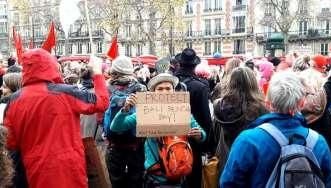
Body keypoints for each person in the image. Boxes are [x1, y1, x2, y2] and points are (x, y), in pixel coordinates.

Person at [4, 49, 109, 188]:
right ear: (51, 65)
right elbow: (102, 102)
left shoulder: (13, 101)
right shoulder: (66, 92)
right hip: (70, 169)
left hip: (34, 170)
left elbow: (10, 142)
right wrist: (97, 72)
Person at [220, 71, 331, 187]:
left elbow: (229, 182)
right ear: (301, 103)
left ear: (268, 103)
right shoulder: (319, 142)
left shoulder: (248, 140)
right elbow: (328, 182)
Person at [110, 73, 206, 187]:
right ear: (153, 93)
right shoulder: (146, 112)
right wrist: (125, 109)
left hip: (179, 173)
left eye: (168, 88)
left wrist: (199, 134)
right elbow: (115, 127)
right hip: (155, 178)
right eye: (160, 89)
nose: (164, 92)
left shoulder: (182, 111)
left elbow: (202, 134)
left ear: (173, 91)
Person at [212, 67, 268, 173]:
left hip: (226, 161)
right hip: (253, 162)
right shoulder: (260, 109)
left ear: (230, 83)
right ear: (252, 83)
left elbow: (214, 136)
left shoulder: (220, 106)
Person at [104, 55, 147, 188]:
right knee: (136, 181)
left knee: (117, 182)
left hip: (114, 146)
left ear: (114, 71)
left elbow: (100, 117)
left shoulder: (105, 89)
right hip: (136, 146)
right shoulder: (141, 88)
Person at [174, 48, 212, 188]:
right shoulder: (200, 87)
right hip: (193, 140)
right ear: (195, 65)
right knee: (192, 178)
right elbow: (206, 120)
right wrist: (207, 144)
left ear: (179, 63)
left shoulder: (166, 84)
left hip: (169, 139)